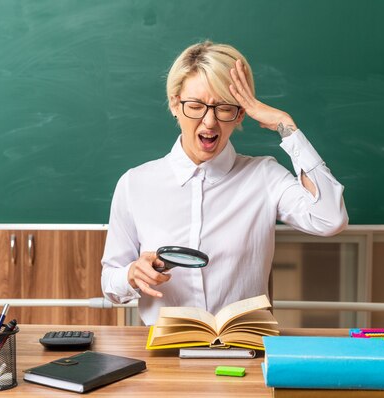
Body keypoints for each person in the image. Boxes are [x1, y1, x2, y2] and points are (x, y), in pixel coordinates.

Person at [101, 41, 348, 326]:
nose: (209, 123)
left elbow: (330, 219)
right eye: (195, 106)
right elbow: (110, 284)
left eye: (225, 109)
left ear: (241, 113)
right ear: (174, 104)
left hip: (244, 352)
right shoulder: (135, 183)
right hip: (166, 357)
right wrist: (131, 273)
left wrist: (285, 125)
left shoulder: (264, 176)